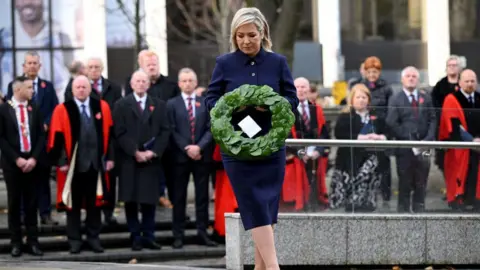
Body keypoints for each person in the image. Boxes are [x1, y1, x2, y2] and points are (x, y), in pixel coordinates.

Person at [204, 7, 299, 270]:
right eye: (240, 36)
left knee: (267, 207)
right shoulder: (224, 63)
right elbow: (211, 99)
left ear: (262, 33)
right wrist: (232, 106)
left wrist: (269, 105)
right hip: (237, 150)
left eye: (251, 35)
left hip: (271, 147)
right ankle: (274, 266)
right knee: (253, 203)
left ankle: (260, 268)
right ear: (234, 36)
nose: (246, 41)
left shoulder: (277, 62)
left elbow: (292, 98)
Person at [47, 75, 115, 254]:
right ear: (72, 90)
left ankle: (94, 239)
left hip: (95, 164)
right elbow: (56, 138)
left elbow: (111, 134)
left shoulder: (102, 107)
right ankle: (74, 241)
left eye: (84, 87)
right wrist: (61, 162)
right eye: (78, 87)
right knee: (73, 206)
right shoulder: (62, 109)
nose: (81, 90)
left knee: (95, 205)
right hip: (72, 167)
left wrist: (109, 158)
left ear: (90, 89)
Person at [113, 70, 169, 250]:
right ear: (131, 84)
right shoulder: (121, 104)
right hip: (130, 160)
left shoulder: (159, 105)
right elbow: (119, 132)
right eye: (137, 81)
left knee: (149, 201)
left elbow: (165, 131)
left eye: (144, 81)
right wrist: (134, 151)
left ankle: (149, 235)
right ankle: (135, 236)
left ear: (149, 84)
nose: (141, 84)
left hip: (150, 161)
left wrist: (153, 152)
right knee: (130, 200)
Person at [7, 51, 59, 226]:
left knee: (43, 179)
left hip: (40, 142)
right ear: (24, 65)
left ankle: (45, 214)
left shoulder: (47, 87)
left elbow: (55, 108)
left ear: (40, 65)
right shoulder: (14, 85)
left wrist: (46, 123)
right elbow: (9, 109)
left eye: (35, 63)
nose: (31, 66)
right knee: (21, 182)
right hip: (19, 144)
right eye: (28, 63)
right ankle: (22, 214)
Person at [167, 68, 216, 249]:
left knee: (202, 197)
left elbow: (211, 128)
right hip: (180, 157)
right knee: (179, 197)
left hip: (201, 157)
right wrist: (187, 148)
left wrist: (199, 147)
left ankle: (202, 233)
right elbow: (171, 129)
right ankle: (178, 235)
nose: (187, 83)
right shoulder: (171, 104)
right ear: (179, 84)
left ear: (195, 83)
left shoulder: (205, 103)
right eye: (184, 81)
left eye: (190, 80)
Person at [0, 77, 44, 257]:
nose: (32, 90)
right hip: (13, 164)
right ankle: (16, 242)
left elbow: (41, 136)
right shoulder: (3, 110)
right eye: (29, 87)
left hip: (32, 163)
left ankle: (33, 241)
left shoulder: (35, 108)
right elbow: (1, 138)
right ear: (18, 90)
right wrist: (16, 159)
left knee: (32, 203)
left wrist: (33, 158)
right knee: (14, 203)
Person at [330, 83, 387, 212]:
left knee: (368, 204)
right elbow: (339, 134)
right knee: (351, 204)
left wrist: (380, 137)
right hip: (349, 163)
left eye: (364, 97)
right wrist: (360, 137)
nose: (361, 100)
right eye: (358, 97)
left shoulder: (376, 116)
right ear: (352, 99)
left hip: (371, 164)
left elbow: (387, 131)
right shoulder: (345, 116)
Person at [386, 66, 436, 213]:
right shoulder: (395, 99)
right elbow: (391, 122)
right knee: (405, 184)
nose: (411, 78)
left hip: (424, 147)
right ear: (402, 79)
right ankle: (403, 215)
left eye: (414, 76)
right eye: (408, 76)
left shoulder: (425, 98)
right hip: (405, 149)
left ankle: (420, 213)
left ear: (418, 79)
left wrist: (427, 140)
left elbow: (432, 119)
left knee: (421, 183)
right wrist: (410, 140)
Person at [439, 69, 480, 211]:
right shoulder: (452, 99)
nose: (469, 84)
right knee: (461, 175)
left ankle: (475, 201)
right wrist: (472, 141)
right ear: (460, 82)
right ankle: (460, 201)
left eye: (472, 81)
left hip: (478, 148)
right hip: (461, 147)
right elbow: (454, 125)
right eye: (467, 81)